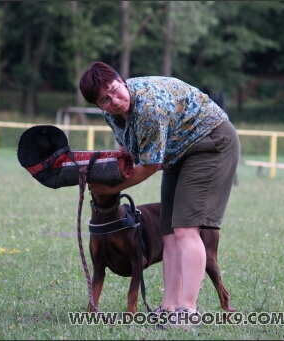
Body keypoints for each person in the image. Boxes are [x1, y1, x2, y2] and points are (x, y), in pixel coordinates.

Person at [79, 61, 240, 325]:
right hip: (178, 153)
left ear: (121, 80)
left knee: (186, 228)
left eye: (114, 90)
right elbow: (125, 149)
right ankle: (168, 307)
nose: (114, 100)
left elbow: (151, 165)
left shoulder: (148, 108)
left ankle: (187, 311)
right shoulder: (111, 113)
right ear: (98, 106)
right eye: (104, 100)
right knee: (168, 232)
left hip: (212, 143)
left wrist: (113, 188)